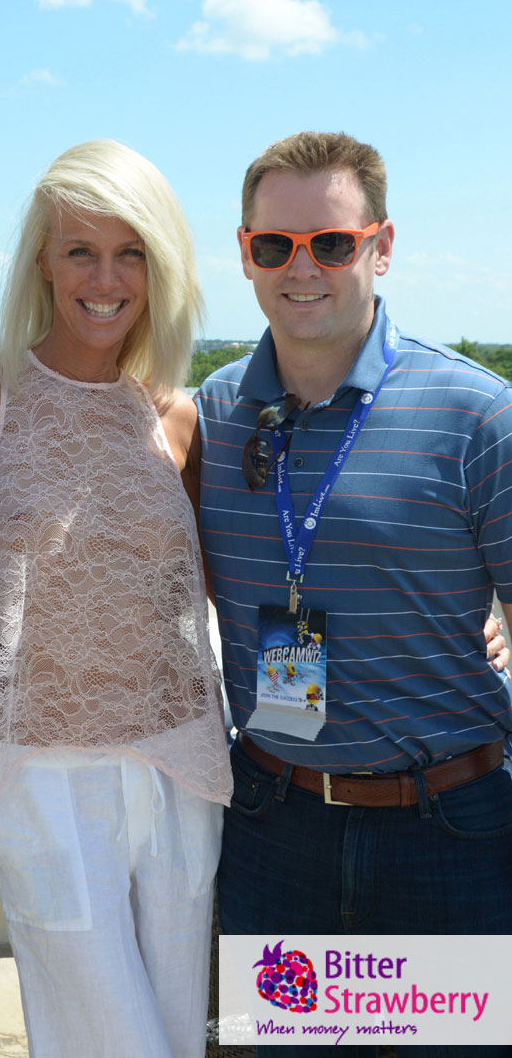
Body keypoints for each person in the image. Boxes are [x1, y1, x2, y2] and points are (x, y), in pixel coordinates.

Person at [194, 131, 512, 1058]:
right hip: (273, 823)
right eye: (274, 245)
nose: (302, 268)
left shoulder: (476, 415)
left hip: (447, 834)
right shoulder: (213, 414)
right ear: (245, 250)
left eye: (331, 243)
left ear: (381, 245)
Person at [0, 139, 232, 1057]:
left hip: (179, 763)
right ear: (41, 263)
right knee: (107, 1041)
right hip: (37, 773)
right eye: (80, 251)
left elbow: (235, 579)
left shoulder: (180, 413)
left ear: (162, 266)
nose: (106, 277)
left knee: (177, 1033)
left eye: (130, 251)